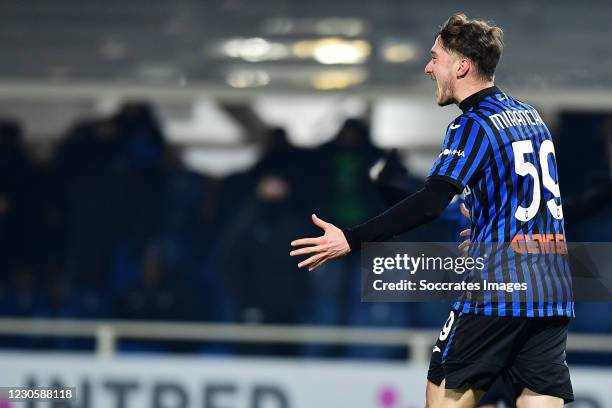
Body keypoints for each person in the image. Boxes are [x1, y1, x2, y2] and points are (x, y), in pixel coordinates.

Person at [290, 13, 573, 408]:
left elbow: (430, 202)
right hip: (551, 286)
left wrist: (351, 240)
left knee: (441, 400)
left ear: (462, 66)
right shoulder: (531, 117)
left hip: (497, 288)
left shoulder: (473, 125)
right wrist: (487, 222)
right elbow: (536, 200)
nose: (428, 67)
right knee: (536, 401)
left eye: (435, 57)